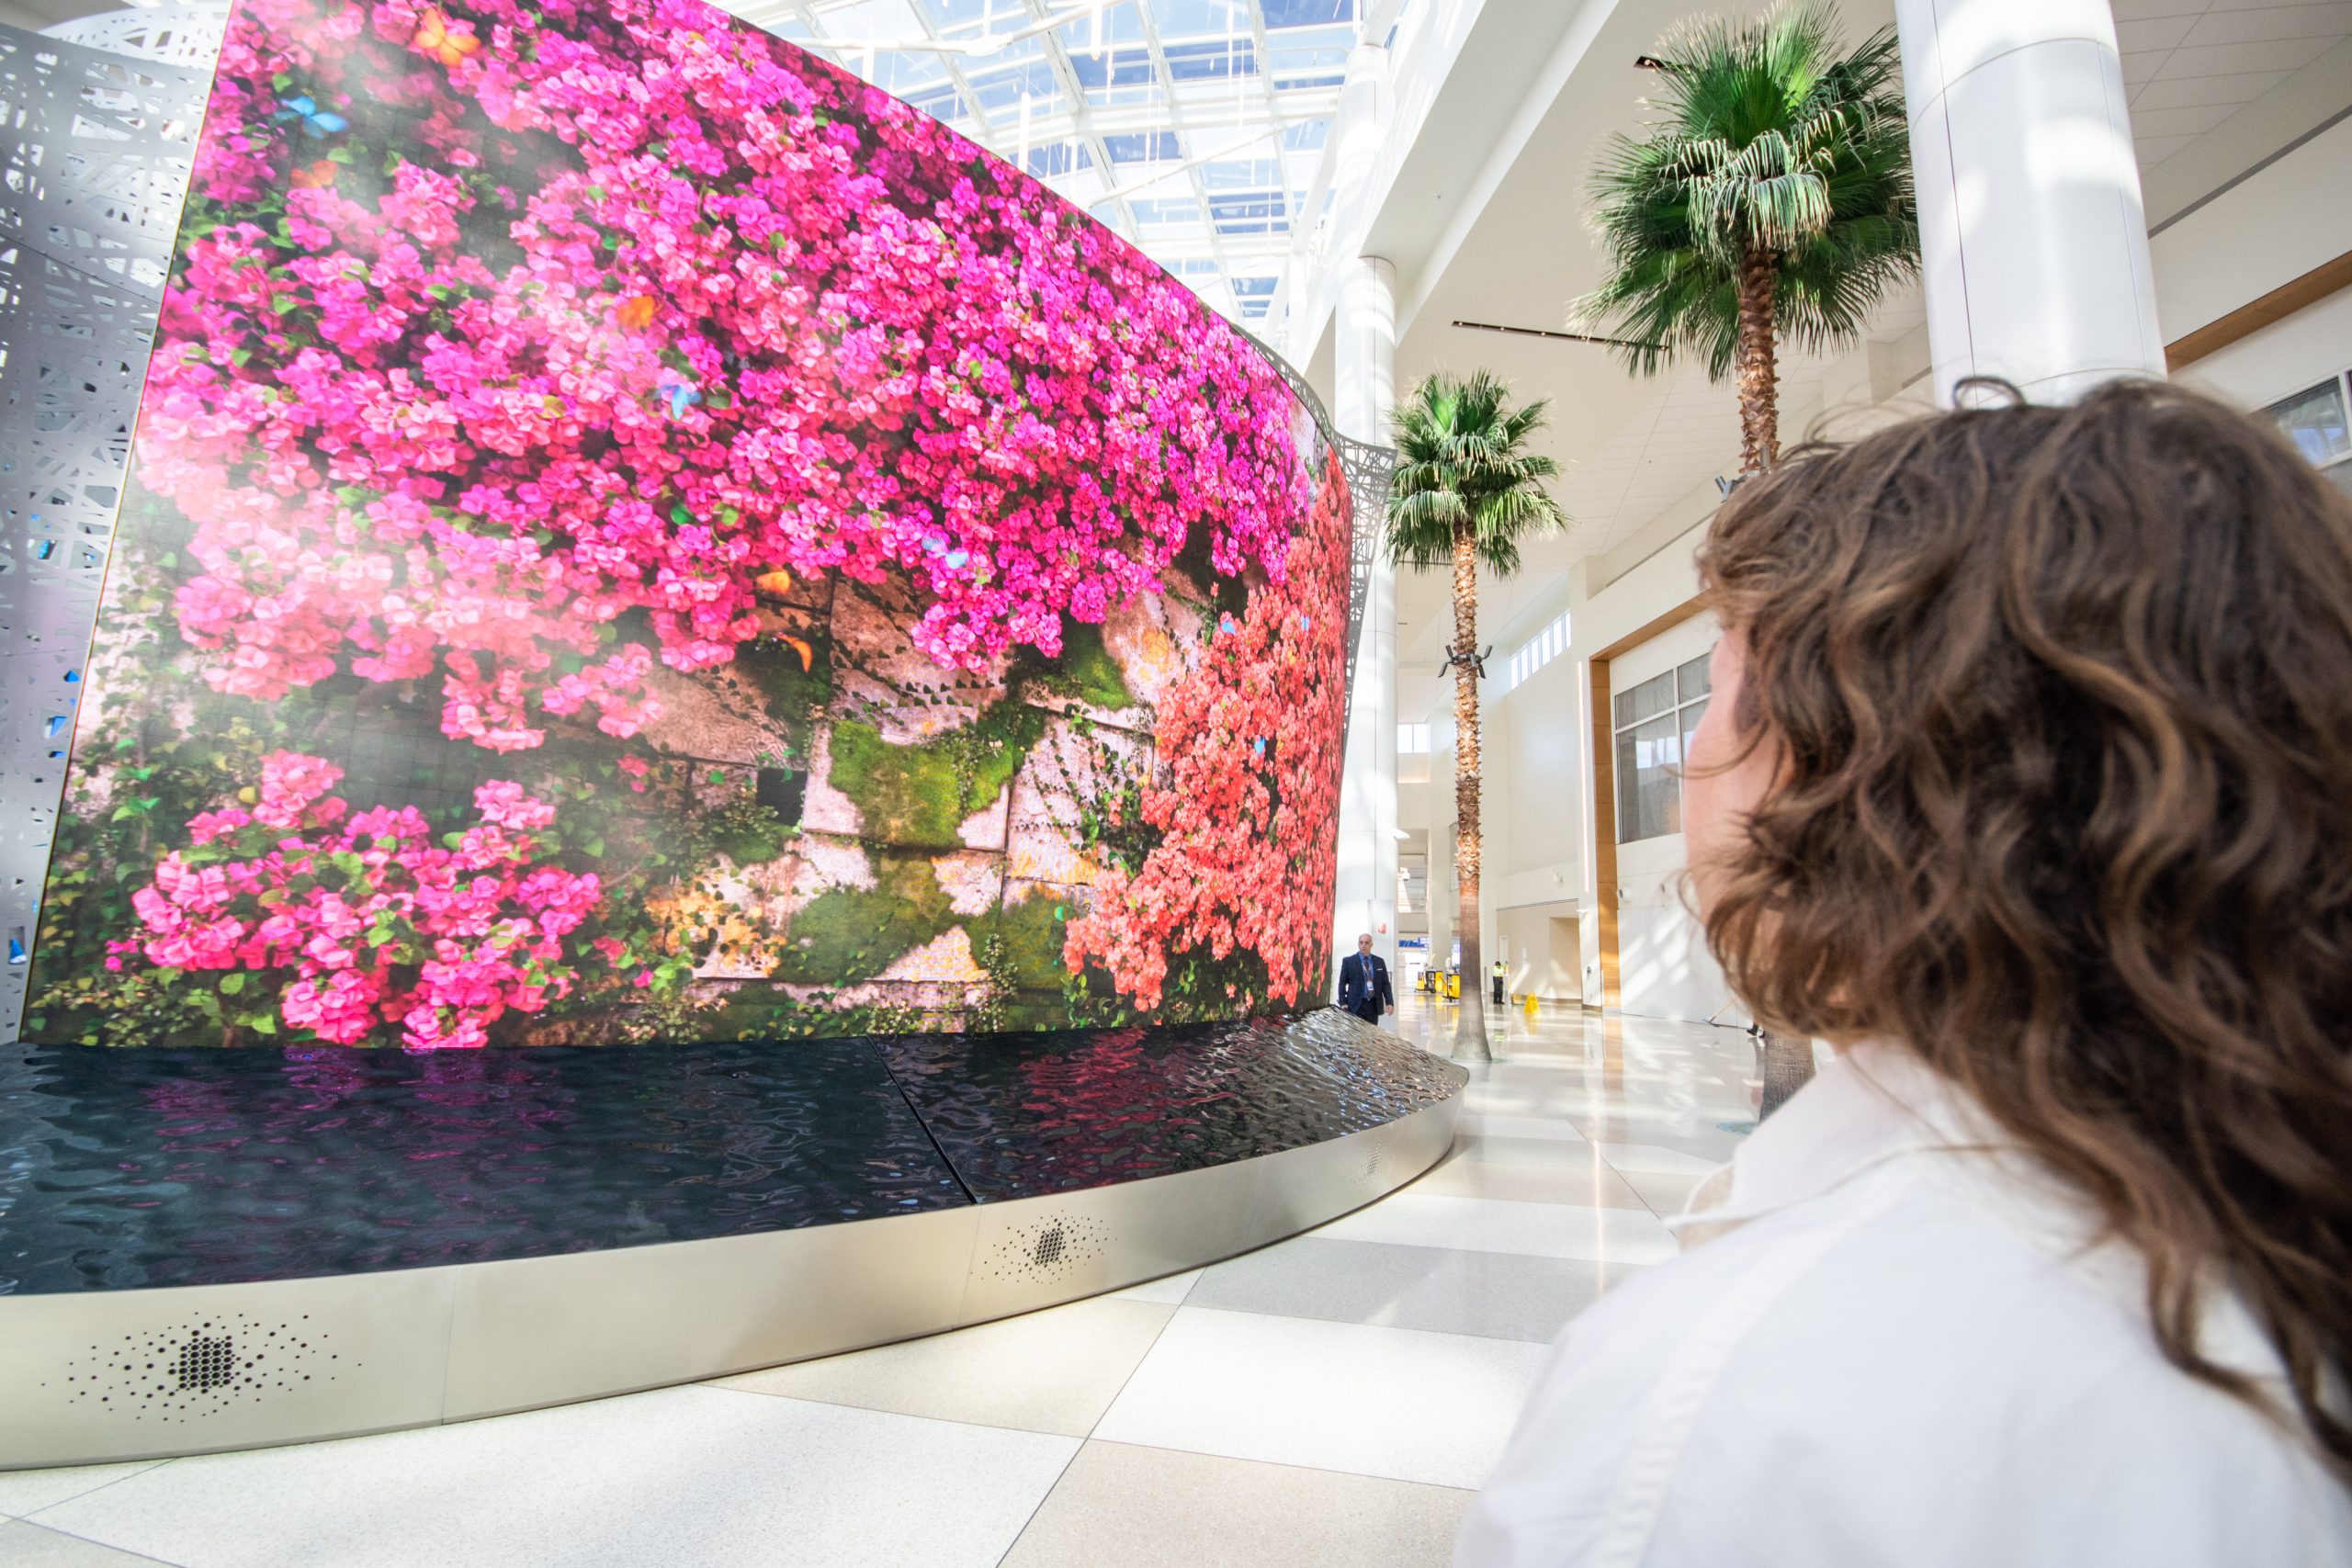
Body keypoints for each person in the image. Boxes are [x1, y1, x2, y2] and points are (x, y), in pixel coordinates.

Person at [1457, 380, 2352, 1566]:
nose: (1686, 780)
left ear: (1842, 773)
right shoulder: (2279, 1220)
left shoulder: (1719, 1403)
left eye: (1717, 706)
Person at [1336, 932, 1394, 1026]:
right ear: (1358, 944)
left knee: (1371, 1034)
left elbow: (1385, 984)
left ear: (1371, 944)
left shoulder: (1379, 962)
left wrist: (1389, 1002)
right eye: (1361, 942)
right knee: (1356, 1035)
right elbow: (1342, 983)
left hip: (1373, 1004)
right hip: (1355, 1005)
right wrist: (1343, 1002)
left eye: (1366, 943)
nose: (1363, 945)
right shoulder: (1348, 961)